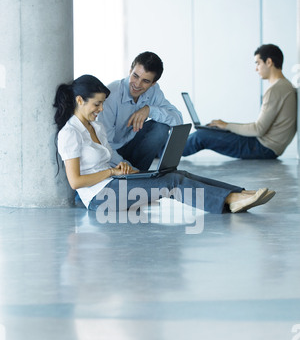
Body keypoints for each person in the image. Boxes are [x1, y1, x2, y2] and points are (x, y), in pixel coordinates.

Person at [53, 75, 275, 216]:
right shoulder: (70, 134)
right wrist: (111, 171)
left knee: (175, 173)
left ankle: (239, 192)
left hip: (114, 182)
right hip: (99, 198)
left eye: (102, 104)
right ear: (80, 100)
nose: (101, 109)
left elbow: (112, 158)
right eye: (97, 104)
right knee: (172, 183)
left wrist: (130, 170)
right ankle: (230, 201)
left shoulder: (96, 127)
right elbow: (75, 182)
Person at [183, 44, 297, 160]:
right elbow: (260, 127)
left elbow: (258, 129)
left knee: (201, 136)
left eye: (258, 63)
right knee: (215, 132)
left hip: (263, 147)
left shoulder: (275, 90)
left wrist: (227, 125)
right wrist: (226, 126)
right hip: (267, 146)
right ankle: (166, 147)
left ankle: (165, 151)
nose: (256, 68)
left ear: (268, 62)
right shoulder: (285, 86)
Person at [97, 51, 184, 171]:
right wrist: (129, 168)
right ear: (130, 71)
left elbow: (178, 120)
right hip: (110, 153)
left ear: (153, 83)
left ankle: (140, 174)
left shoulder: (154, 91)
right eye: (135, 76)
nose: (137, 84)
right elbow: (105, 146)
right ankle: (136, 174)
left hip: (132, 145)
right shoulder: (111, 95)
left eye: (146, 81)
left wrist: (150, 110)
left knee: (161, 128)